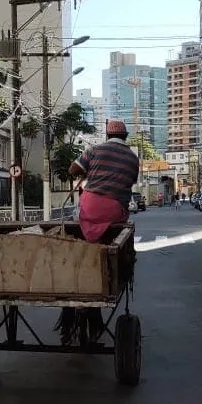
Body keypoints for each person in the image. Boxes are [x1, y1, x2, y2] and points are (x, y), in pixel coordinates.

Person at [55, 120, 139, 346]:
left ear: (107, 134)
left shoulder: (94, 150)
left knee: (75, 226)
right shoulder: (132, 158)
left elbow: (73, 170)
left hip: (89, 208)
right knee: (115, 241)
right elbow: (130, 181)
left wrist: (89, 170)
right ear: (125, 136)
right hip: (114, 213)